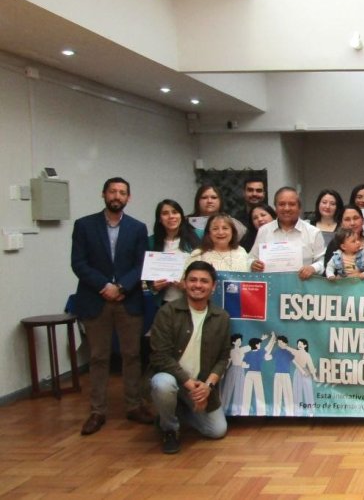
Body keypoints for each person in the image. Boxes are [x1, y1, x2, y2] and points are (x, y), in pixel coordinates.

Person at [71, 177, 153, 435]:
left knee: (132, 355)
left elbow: (141, 263)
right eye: (113, 191)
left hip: (128, 299)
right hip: (96, 299)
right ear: (103, 194)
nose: (117, 196)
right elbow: (78, 263)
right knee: (98, 357)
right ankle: (97, 411)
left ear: (128, 198)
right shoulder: (84, 225)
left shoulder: (137, 228)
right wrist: (104, 286)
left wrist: (122, 287)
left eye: (122, 192)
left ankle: (134, 405)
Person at [149, 261, 230, 454]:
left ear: (213, 286)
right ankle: (169, 428)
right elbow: (160, 357)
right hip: (174, 380)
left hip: (201, 384)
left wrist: (207, 387)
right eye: (193, 280)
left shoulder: (221, 317)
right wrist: (189, 384)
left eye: (204, 281)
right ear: (184, 283)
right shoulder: (167, 312)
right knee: (162, 384)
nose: (198, 285)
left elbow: (223, 358)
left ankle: (175, 411)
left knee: (217, 430)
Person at [251, 187, 327, 278]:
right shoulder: (264, 231)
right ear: (275, 207)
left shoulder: (313, 232)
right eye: (282, 204)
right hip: (271, 284)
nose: (286, 208)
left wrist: (313, 268)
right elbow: (250, 258)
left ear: (299, 208)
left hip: (302, 285)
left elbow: (323, 262)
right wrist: (253, 264)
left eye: (292, 204)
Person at [148, 199, 201, 305]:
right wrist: (154, 286)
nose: (171, 216)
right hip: (165, 303)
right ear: (159, 219)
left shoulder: (198, 235)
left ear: (181, 216)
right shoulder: (151, 241)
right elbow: (148, 279)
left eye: (175, 212)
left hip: (193, 301)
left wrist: (188, 285)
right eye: (165, 213)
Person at [186, 214, 253, 272]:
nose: (220, 232)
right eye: (215, 229)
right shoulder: (198, 254)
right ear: (209, 233)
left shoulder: (241, 251)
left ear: (232, 232)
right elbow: (185, 281)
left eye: (225, 228)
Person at [323, 205, 364, 270]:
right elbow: (327, 270)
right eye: (347, 219)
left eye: (356, 218)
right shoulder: (335, 244)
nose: (352, 223)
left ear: (363, 220)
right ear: (341, 224)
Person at [220, 334, 250, 415]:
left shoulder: (242, 349)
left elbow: (250, 346)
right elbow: (228, 362)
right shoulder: (231, 351)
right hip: (233, 370)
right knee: (228, 389)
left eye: (240, 340)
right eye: (238, 340)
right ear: (233, 342)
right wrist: (222, 372)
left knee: (239, 389)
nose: (240, 342)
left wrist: (262, 339)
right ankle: (223, 409)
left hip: (240, 370)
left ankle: (237, 411)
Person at [288, 338, 317, 416]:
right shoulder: (295, 352)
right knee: (297, 392)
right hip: (297, 372)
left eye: (301, 344)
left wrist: (314, 376)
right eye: (298, 344)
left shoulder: (307, 355)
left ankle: (311, 412)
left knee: (309, 392)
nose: (299, 345)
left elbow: (311, 366)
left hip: (306, 372)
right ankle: (298, 412)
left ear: (305, 345)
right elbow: (288, 348)